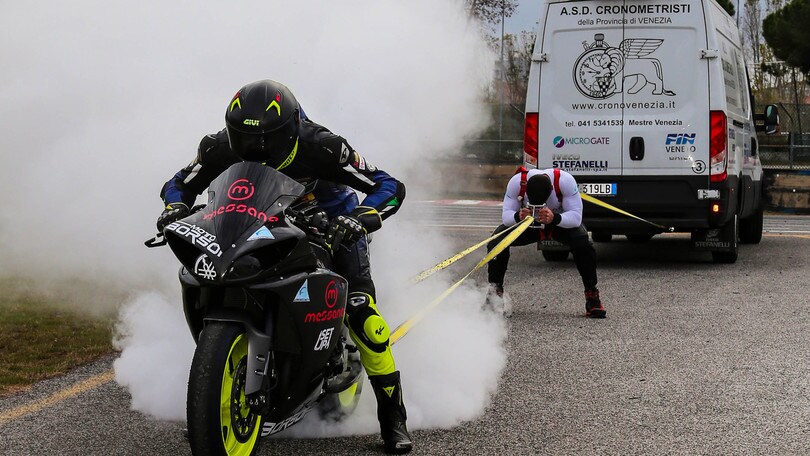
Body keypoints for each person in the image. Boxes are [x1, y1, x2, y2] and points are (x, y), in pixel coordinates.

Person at [156, 79, 412, 453]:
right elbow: (180, 182)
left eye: (266, 141)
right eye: (243, 140)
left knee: (364, 315)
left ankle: (393, 419)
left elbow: (388, 184)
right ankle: (217, 396)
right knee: (213, 278)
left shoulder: (323, 146)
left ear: (290, 129)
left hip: (332, 224)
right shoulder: (217, 146)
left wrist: (361, 215)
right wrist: (175, 207)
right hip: (259, 222)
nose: (255, 149)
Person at [485, 167, 607, 318]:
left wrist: (554, 218)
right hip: (527, 225)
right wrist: (519, 215)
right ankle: (495, 295)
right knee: (496, 242)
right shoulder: (517, 182)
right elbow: (506, 217)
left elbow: (576, 218)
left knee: (583, 243)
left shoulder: (565, 181)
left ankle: (592, 296)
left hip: (559, 224)